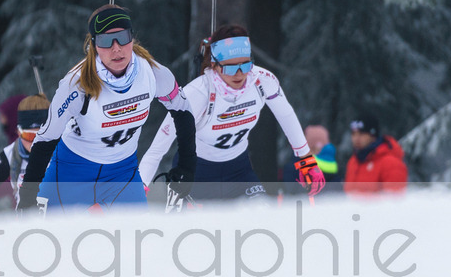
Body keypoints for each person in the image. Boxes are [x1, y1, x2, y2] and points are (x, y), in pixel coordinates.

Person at [17, 4, 197, 214]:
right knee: (46, 239)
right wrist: (29, 196)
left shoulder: (153, 74)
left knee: (139, 241)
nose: (116, 48)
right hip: (71, 170)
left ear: (131, 38)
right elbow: (46, 139)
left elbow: (183, 111)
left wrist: (186, 166)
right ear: (94, 45)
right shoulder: (76, 85)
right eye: (105, 41)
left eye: (122, 37)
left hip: (122, 172)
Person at [138, 24, 323, 204]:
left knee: (260, 220)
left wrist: (306, 158)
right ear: (215, 65)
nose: (239, 74)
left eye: (245, 65)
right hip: (197, 174)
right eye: (230, 67)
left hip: (239, 170)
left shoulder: (262, 81)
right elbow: (158, 148)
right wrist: (141, 185)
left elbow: (286, 115)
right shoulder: (197, 94)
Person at [344, 113, 407, 195]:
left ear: (373, 135)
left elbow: (394, 201)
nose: (356, 138)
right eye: (353, 134)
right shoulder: (353, 162)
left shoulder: (391, 163)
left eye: (362, 133)